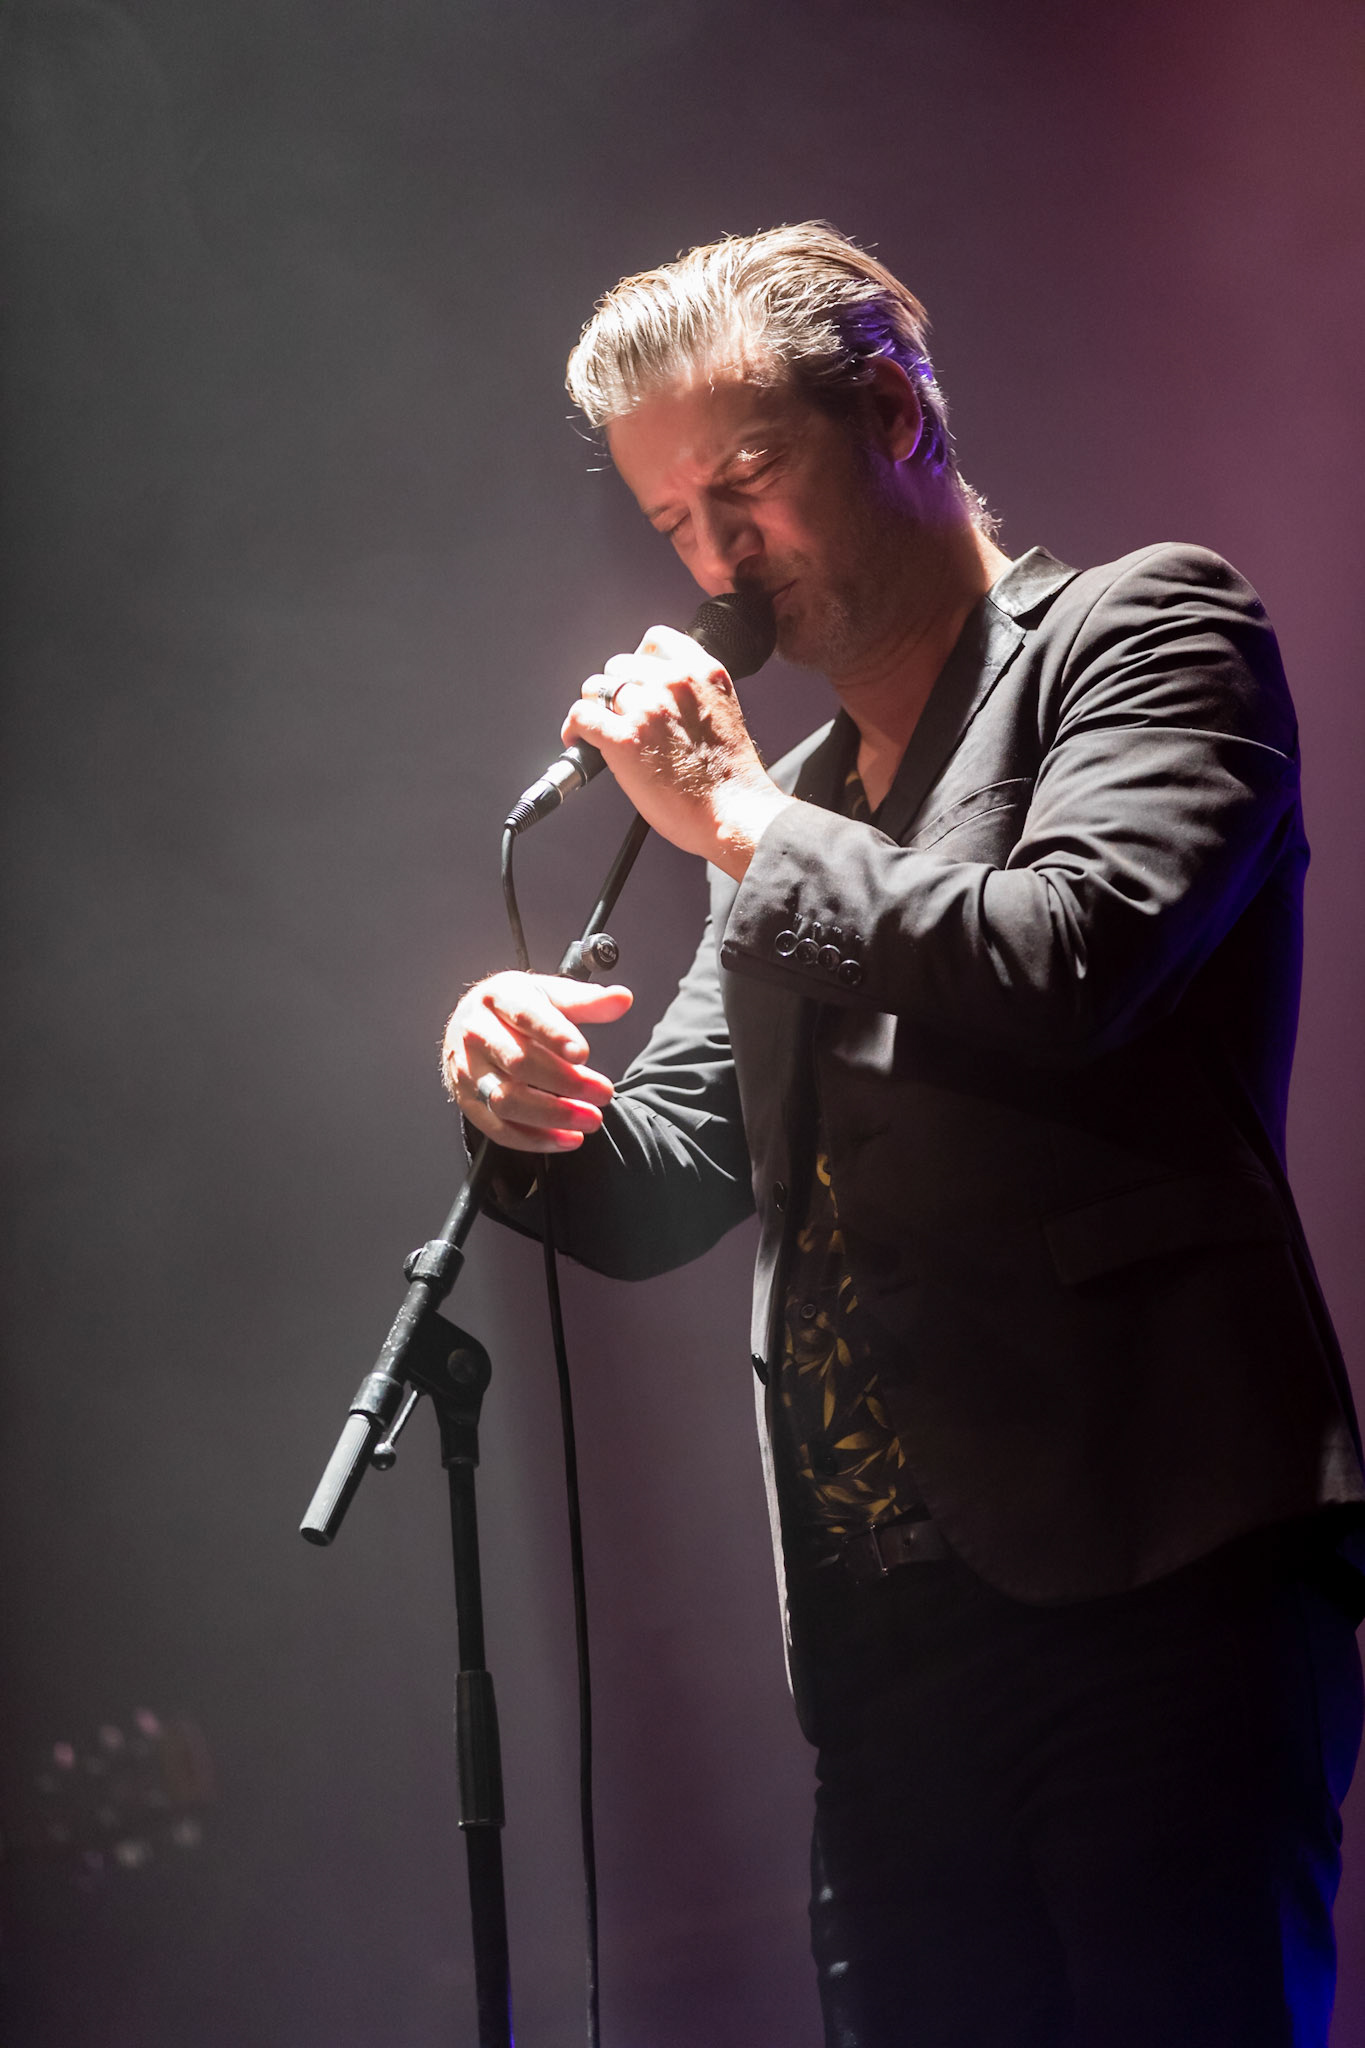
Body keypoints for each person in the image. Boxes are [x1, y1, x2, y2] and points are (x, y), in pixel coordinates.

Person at [442, 223, 1365, 2045]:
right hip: (884, 1658)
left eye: (743, 483)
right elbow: (667, 1183)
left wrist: (734, 829)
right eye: (670, 525)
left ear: (890, 414)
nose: (715, 560)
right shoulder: (786, 813)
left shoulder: (1141, 630)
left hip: (1154, 1582)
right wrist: (516, 1094)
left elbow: (1069, 954)